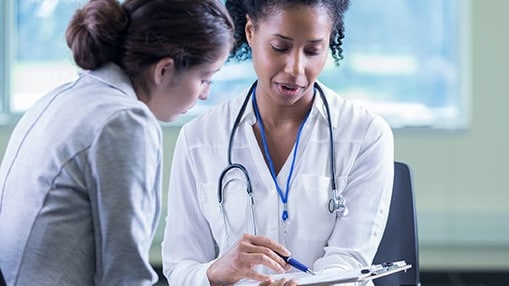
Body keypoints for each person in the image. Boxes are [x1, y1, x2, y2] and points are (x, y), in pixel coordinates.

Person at [0, 0, 233, 285]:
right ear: (164, 70)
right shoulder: (124, 121)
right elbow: (125, 274)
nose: (205, 95)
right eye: (205, 79)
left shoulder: (64, 96)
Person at [162, 0, 394, 285]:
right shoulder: (199, 139)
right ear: (250, 31)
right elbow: (181, 266)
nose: (296, 69)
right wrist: (215, 272)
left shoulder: (366, 135)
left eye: (312, 51)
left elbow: (349, 261)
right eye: (280, 47)